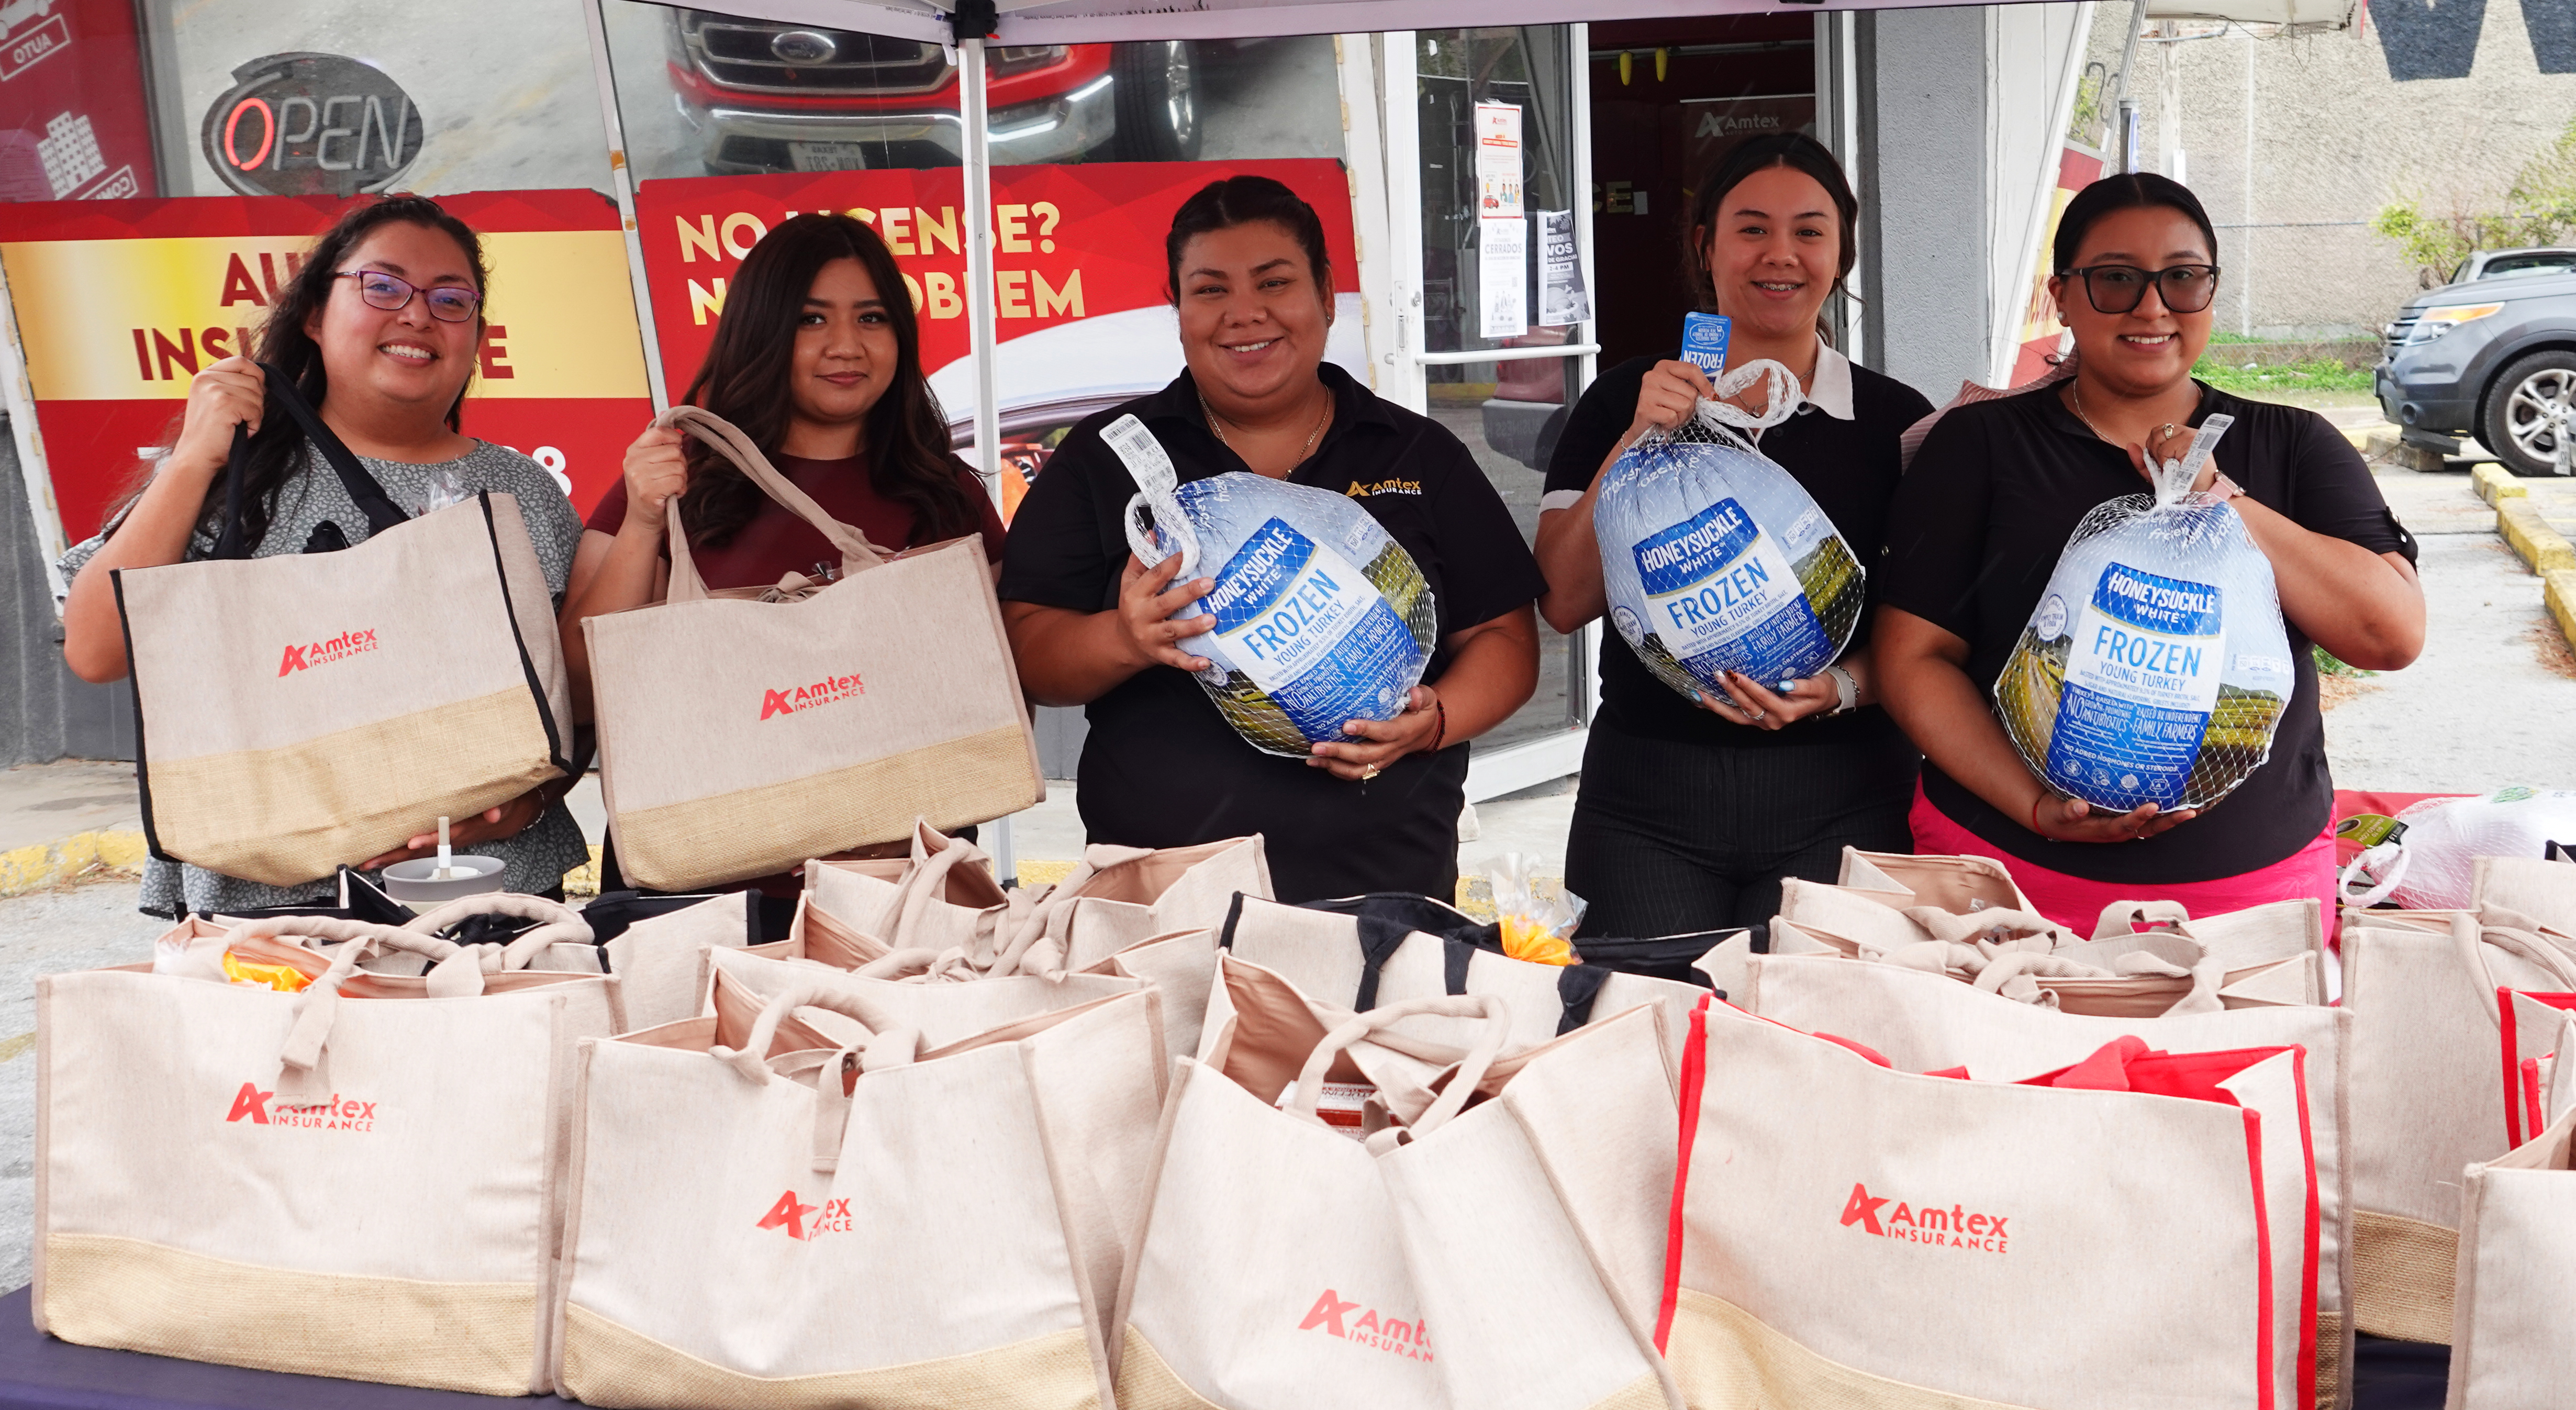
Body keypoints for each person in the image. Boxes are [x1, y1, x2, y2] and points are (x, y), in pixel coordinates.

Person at [1876, 172, 2425, 932]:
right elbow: (1914, 658)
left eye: (2182, 279)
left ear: (2210, 292)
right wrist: (2034, 807)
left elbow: (2388, 635)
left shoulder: (2292, 445)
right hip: (2003, 880)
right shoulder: (1980, 445)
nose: (2150, 306)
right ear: (2061, 296)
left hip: (2248, 896)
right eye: (2114, 280)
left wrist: (2220, 495)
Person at [999, 174, 1543, 905]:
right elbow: (1030, 650)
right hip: (1160, 895)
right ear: (1178, 306)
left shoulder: (1413, 454)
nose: (1243, 314)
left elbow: (1505, 639)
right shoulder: (1110, 458)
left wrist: (1432, 722)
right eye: (1210, 289)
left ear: (1324, 293)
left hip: (1384, 886)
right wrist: (1123, 638)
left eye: (1273, 282)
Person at [60, 194, 589, 917]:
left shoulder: (520, 491)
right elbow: (95, 649)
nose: (416, 314)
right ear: (314, 314)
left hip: (494, 892)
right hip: (268, 915)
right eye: (383, 285)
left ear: (476, 335)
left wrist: (527, 805)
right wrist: (192, 462)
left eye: (451, 298)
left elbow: (573, 705)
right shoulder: (238, 472)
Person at [1534, 132, 1934, 936]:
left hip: (1845, 796)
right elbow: (1563, 599)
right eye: (1751, 228)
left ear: (1841, 253)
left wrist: (1845, 687)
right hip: (1644, 804)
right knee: (1643, 1038)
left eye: (1809, 231)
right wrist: (1639, 437)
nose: (1779, 255)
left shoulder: (1897, 423)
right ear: (1704, 245)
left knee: (1816, 1048)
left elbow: (1930, 632)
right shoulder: (1620, 400)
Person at [561, 212, 1004, 912]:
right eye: (810, 320)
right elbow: (584, 690)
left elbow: (996, 696)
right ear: (762, 329)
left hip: (903, 888)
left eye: (871, 317)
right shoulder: (676, 481)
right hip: (699, 894)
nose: (846, 346)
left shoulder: (948, 496)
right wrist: (644, 519)